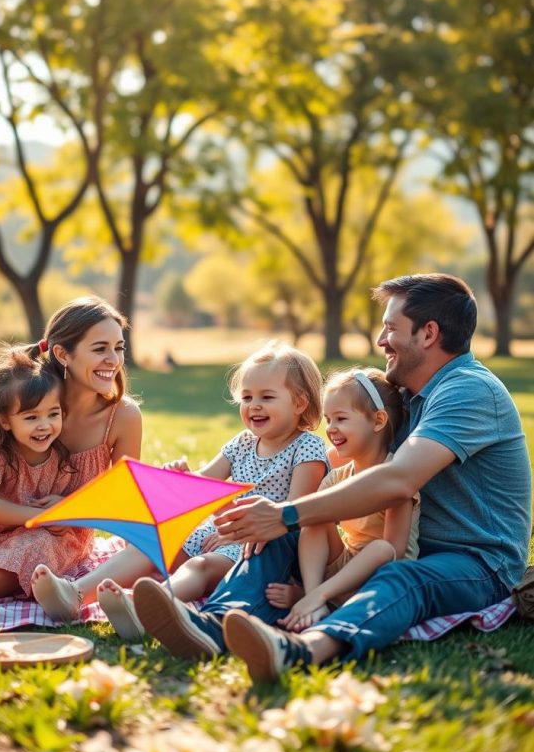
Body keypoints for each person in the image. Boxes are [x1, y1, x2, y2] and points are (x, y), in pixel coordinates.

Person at [131, 274, 532, 681]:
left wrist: (287, 513)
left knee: (398, 574)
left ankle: (303, 649)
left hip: (476, 563)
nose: (381, 340)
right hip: (407, 546)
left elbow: (398, 480)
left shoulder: (469, 391)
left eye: (391, 328)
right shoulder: (408, 395)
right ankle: (214, 624)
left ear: (428, 333)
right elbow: (335, 462)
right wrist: (273, 515)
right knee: (282, 529)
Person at [82, 340, 330, 640]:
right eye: (247, 397)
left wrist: (233, 531)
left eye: (267, 397)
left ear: (300, 403)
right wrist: (182, 477)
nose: (254, 406)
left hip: (257, 546)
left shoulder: (307, 448)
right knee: (152, 543)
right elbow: (202, 484)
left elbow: (293, 514)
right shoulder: (242, 443)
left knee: (200, 566)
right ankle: (76, 593)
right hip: (216, 532)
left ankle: (141, 610)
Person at [265, 367, 419, 633]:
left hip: (382, 577)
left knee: (381, 547)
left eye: (341, 419)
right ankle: (314, 598)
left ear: (378, 420)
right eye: (328, 420)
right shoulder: (338, 477)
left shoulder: (395, 478)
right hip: (343, 570)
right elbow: (313, 524)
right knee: (313, 516)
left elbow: (394, 548)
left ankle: (315, 596)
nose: (331, 429)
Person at [28, 295, 143, 619]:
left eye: (119, 348)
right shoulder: (34, 404)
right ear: (63, 354)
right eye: (100, 348)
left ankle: (73, 595)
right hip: (10, 516)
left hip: (61, 539)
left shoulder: (123, 416)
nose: (113, 359)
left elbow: (125, 502)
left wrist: (68, 513)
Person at [0, 348, 77, 607]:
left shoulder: (62, 458)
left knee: (35, 552)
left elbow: (67, 510)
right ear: (5, 421)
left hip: (24, 539)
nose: (44, 425)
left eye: (53, 414)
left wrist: (63, 515)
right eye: (31, 417)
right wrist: (40, 517)